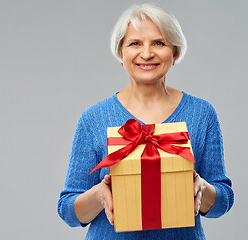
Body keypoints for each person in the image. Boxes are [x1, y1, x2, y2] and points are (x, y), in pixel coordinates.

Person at [57, 3, 234, 240]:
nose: (147, 53)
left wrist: (203, 189)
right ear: (121, 53)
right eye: (135, 43)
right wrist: (100, 194)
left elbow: (223, 201)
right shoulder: (94, 118)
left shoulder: (202, 113)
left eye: (159, 43)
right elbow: (68, 211)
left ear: (175, 53)